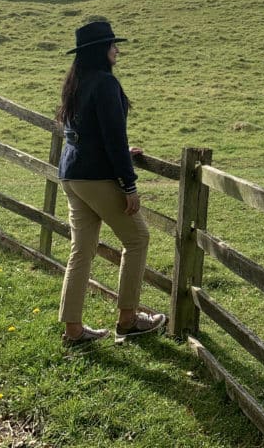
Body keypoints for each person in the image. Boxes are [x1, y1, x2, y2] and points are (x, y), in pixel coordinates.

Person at [56, 20, 165, 346]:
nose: (117, 49)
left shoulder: (76, 82)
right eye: (112, 44)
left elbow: (88, 132)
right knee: (138, 239)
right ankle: (128, 320)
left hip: (72, 174)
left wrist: (119, 153)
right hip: (96, 177)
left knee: (81, 250)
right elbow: (114, 137)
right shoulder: (104, 83)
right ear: (99, 50)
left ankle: (73, 330)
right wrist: (129, 185)